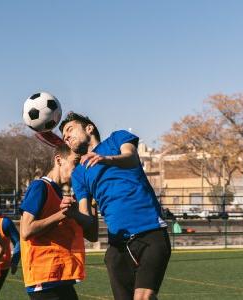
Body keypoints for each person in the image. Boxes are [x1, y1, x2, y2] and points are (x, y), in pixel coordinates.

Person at [59, 112, 171, 300]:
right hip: (118, 246)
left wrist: (106, 159)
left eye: (70, 130)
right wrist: (73, 214)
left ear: (89, 128)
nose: (67, 137)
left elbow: (132, 157)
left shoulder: (116, 139)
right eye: (64, 137)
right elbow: (87, 220)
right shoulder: (78, 174)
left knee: (143, 297)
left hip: (150, 231)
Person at [19, 144, 98, 300]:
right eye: (76, 161)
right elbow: (26, 231)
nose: (79, 168)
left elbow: (93, 235)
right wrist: (62, 214)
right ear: (59, 160)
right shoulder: (40, 187)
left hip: (61, 278)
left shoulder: (62, 196)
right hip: (44, 279)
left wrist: (91, 201)